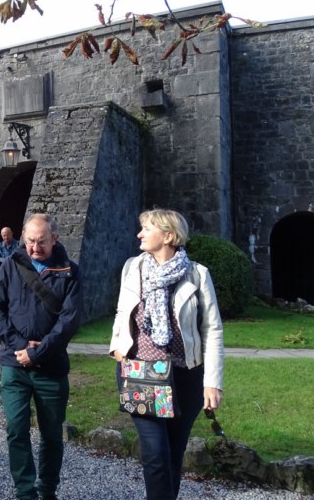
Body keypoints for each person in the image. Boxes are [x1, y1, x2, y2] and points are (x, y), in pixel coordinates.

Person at [109, 209, 224, 500]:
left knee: (173, 452)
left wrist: (212, 383)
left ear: (169, 236)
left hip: (185, 376)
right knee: (156, 453)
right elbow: (123, 311)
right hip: (140, 372)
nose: (139, 234)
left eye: (147, 229)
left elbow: (212, 330)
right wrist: (117, 346)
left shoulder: (197, 274)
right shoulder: (132, 268)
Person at [0, 213, 83, 500]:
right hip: (14, 363)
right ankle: (25, 491)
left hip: (51, 365)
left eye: (41, 242)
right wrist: (21, 346)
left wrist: (37, 352)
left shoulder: (70, 272)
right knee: (16, 429)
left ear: (55, 239)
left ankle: (48, 489)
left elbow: (69, 321)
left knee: (52, 435)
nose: (34, 247)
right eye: (30, 241)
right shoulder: (10, 265)